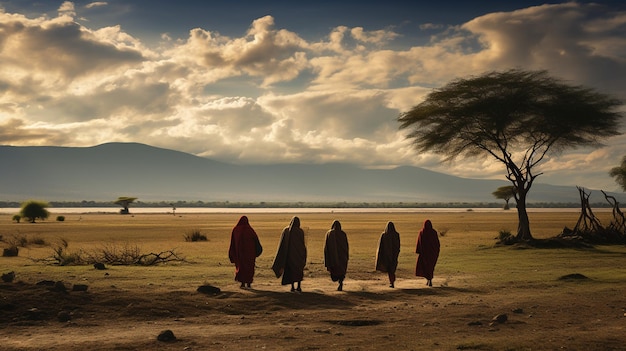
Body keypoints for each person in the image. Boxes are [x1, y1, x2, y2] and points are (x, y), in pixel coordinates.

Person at [271, 216, 307, 292]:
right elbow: (302, 244)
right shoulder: (300, 231)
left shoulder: (286, 230)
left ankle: (293, 287)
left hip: (289, 255)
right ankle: (299, 287)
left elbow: (282, 244)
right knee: (298, 271)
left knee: (291, 272)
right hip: (299, 255)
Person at [228, 215, 262, 289]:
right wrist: (257, 251)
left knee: (241, 267)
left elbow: (233, 242)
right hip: (250, 253)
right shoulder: (250, 230)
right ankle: (249, 283)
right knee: (249, 268)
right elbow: (256, 241)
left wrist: (232, 253)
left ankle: (242, 283)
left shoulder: (235, 229)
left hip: (240, 254)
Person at [324, 220, 349, 291]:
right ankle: (340, 283)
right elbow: (346, 246)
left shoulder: (330, 233)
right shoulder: (343, 234)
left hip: (333, 257)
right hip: (342, 257)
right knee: (341, 271)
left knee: (335, 271)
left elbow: (327, 247)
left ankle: (339, 283)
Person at [415, 219, 440, 287]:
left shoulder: (422, 232)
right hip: (432, 254)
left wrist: (418, 251)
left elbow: (419, 243)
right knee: (430, 267)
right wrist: (436, 251)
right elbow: (437, 243)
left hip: (424, 254)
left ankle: (428, 280)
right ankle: (430, 280)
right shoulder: (433, 232)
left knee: (425, 267)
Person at [375, 221, 401, 288]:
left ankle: (392, 282)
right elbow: (398, 245)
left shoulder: (384, 235)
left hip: (386, 255)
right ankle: (392, 282)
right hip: (394, 255)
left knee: (390, 270)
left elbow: (381, 246)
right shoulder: (396, 234)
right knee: (392, 269)